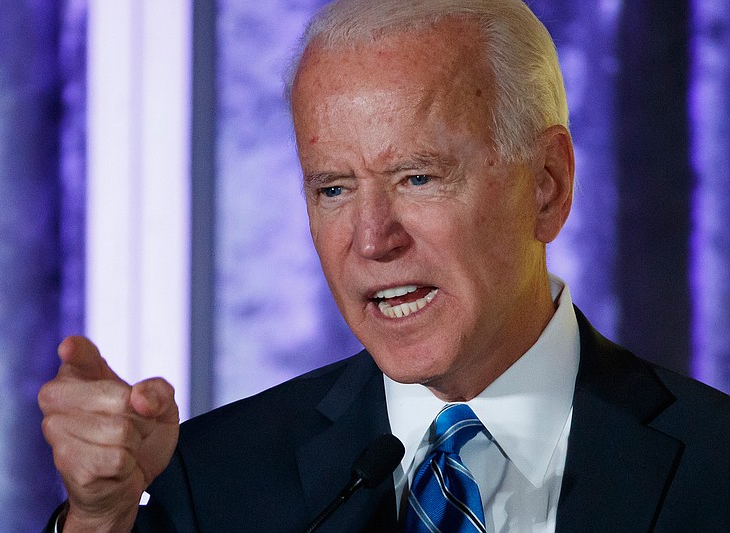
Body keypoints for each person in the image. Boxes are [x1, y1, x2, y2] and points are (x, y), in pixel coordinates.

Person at [39, 0, 730, 531]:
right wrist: (99, 518)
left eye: (417, 177)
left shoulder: (715, 468)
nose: (372, 240)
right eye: (333, 188)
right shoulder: (209, 480)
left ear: (546, 184)